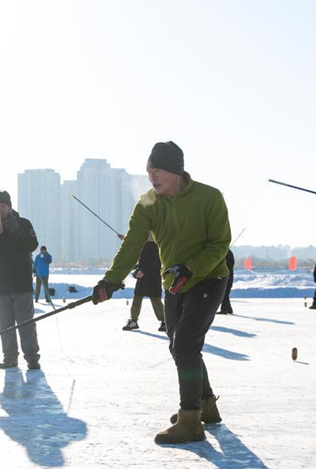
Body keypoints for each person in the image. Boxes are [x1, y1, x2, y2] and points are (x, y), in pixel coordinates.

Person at [93, 141, 231, 444]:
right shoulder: (147, 204)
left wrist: (190, 268)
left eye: (158, 171)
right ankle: (205, 404)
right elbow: (132, 245)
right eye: (149, 172)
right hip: (174, 282)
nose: (153, 177)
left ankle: (190, 420)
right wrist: (110, 281)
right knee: (179, 346)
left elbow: (220, 244)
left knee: (185, 344)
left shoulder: (209, 197)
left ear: (176, 170)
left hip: (208, 278)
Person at [0, 190, 41, 370]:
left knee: (26, 322)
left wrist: (15, 229)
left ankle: (32, 357)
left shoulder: (23, 223)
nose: (0, 209)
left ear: (10, 206)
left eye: (3, 206)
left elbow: (32, 245)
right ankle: (10, 357)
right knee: (5, 324)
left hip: (20, 280)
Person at [123, 233, 166, 332]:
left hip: (153, 276)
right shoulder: (144, 244)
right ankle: (133, 321)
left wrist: (143, 271)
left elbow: (154, 260)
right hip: (143, 276)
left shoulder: (155, 245)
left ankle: (165, 322)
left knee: (155, 299)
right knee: (137, 298)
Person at [217, 249, 236, 315]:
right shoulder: (229, 253)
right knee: (226, 293)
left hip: (227, 276)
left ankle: (224, 309)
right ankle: (229, 309)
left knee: (224, 293)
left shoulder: (226, 253)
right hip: (229, 276)